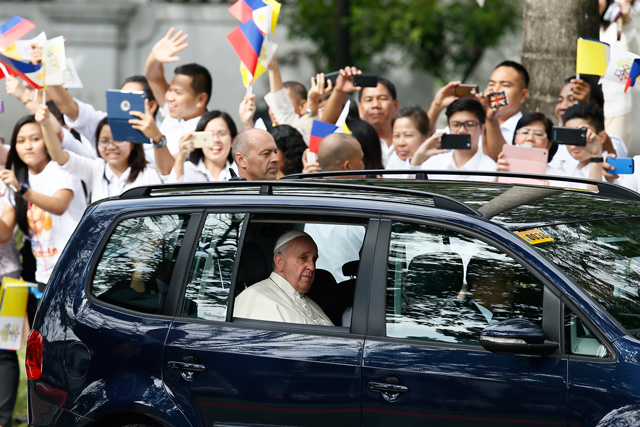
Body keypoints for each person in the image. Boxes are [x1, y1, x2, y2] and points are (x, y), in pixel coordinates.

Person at [0, 114, 86, 285]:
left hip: (74, 270)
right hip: (42, 274)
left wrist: (22, 190)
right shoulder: (17, 177)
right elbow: (4, 234)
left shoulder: (61, 169)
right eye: (21, 141)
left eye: (35, 139)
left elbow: (59, 205)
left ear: (47, 141)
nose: (28, 146)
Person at [38, 104, 162, 202]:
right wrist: (46, 124)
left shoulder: (149, 175)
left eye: (118, 140)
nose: (111, 147)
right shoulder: (96, 169)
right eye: (104, 141)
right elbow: (59, 156)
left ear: (133, 144)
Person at [234, 230, 333, 325]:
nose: (312, 267)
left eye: (314, 259)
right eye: (303, 258)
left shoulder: (310, 302)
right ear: (280, 261)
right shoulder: (254, 298)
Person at [144, 28, 212, 156]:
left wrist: (156, 136)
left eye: (178, 92)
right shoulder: (174, 114)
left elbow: (169, 169)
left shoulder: (207, 130)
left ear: (201, 99)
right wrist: (154, 57)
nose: (169, 97)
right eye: (169, 90)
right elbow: (154, 77)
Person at [410, 97, 496, 181]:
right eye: (456, 124)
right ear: (449, 127)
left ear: (482, 128)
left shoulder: (491, 170)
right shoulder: (433, 164)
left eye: (469, 124)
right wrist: (418, 157)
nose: (461, 130)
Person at [171, 110, 238, 182]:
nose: (215, 140)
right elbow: (172, 190)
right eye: (209, 134)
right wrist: (181, 157)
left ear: (232, 140)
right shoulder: (187, 169)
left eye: (222, 133)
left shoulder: (239, 170)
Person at [496, 112, 564, 179]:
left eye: (538, 134)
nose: (530, 138)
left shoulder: (557, 177)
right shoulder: (503, 170)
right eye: (525, 132)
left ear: (549, 144)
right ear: (515, 139)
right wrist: (497, 177)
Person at [358, 76, 399, 167]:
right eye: (369, 100)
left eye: (382, 98)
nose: (375, 105)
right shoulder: (353, 142)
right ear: (360, 108)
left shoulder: (409, 139)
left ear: (395, 105)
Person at [561, 104, 608, 182]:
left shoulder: (610, 171)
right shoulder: (564, 170)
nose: (573, 144)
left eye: (580, 135)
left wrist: (596, 156)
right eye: (569, 135)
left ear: (601, 137)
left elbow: (594, 193)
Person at [386, 106, 430, 171]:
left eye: (408, 135)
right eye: (396, 136)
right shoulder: (394, 160)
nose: (401, 143)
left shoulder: (438, 162)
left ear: (426, 136)